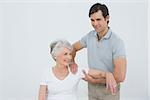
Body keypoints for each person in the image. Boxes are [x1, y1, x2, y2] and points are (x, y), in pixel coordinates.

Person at [71, 3, 127, 100]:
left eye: (98, 19)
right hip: (92, 88)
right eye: (92, 20)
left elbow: (120, 77)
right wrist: (72, 63)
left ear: (107, 18)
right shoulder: (89, 36)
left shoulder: (117, 42)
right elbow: (73, 48)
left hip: (110, 89)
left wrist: (95, 80)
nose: (95, 24)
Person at [38, 39, 117, 100]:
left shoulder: (75, 71)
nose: (69, 57)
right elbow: (41, 98)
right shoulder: (47, 73)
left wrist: (108, 74)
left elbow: (98, 73)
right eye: (65, 54)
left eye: (70, 54)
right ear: (55, 56)